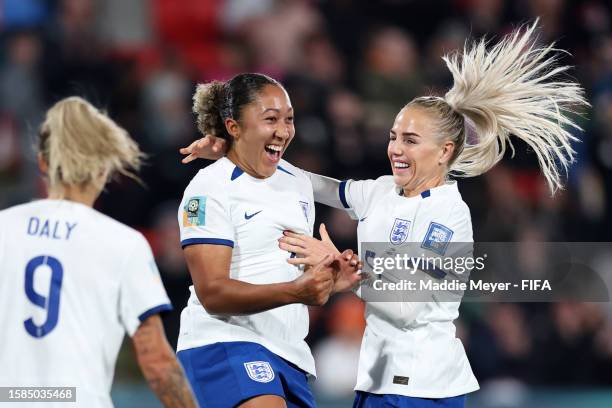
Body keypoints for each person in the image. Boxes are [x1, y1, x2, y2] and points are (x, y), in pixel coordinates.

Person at [181, 22, 588, 408]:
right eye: (394, 137)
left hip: (423, 383)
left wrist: (342, 266)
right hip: (380, 378)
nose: (395, 149)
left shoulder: (448, 216)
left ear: (444, 151)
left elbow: (407, 305)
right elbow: (312, 184)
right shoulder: (380, 192)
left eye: (410, 141)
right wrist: (237, 148)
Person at [177, 73, 360, 408]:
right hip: (225, 341)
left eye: (289, 119)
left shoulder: (297, 182)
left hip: (289, 353)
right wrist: (296, 292)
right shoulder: (209, 189)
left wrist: (331, 283)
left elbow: (283, 274)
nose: (284, 131)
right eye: (270, 119)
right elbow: (212, 293)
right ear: (233, 126)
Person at [0, 97, 197, 408]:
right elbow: (157, 362)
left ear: (41, 162)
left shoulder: (4, 229)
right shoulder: (122, 243)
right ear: (104, 167)